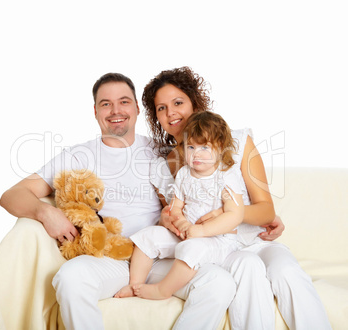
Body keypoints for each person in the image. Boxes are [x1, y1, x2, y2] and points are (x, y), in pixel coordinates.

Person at [0, 72, 237, 329]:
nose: (115, 110)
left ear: (136, 107)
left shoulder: (162, 152)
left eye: (124, 101)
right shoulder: (79, 155)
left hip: (160, 256)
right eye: (105, 103)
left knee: (219, 283)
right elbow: (11, 195)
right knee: (70, 278)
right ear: (95, 111)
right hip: (107, 258)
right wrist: (45, 213)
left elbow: (209, 179)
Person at [142, 66, 331, 329]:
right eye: (161, 108)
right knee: (248, 267)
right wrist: (168, 219)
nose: (170, 112)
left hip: (256, 240)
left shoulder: (239, 142)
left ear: (195, 103)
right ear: (156, 117)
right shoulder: (167, 165)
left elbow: (266, 211)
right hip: (216, 249)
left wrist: (226, 213)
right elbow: (177, 219)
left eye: (177, 102)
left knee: (287, 272)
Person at [115, 111, 246, 300]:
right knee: (147, 236)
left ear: (220, 148)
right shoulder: (185, 173)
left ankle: (162, 290)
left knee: (191, 249)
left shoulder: (225, 175)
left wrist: (201, 231)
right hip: (186, 233)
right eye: (191, 147)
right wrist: (182, 223)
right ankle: (134, 285)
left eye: (204, 148)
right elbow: (176, 207)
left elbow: (235, 215)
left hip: (218, 241)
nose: (196, 154)